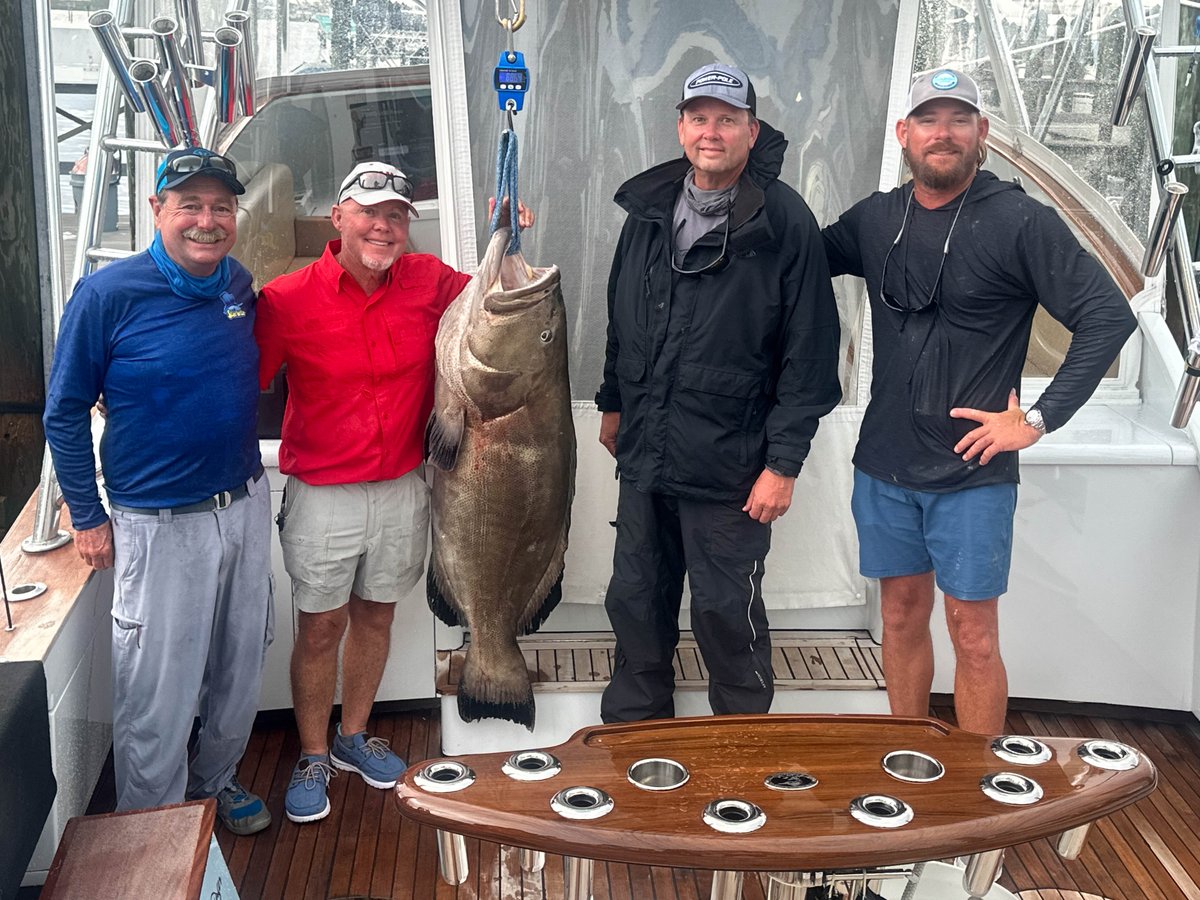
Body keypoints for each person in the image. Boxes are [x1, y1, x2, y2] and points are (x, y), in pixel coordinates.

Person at [822, 68, 1137, 733]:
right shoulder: (877, 219)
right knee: (900, 618)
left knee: (974, 637)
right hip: (883, 465)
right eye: (929, 121)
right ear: (903, 134)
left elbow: (1108, 317)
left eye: (959, 120)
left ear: (982, 134)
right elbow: (791, 259)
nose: (944, 134)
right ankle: (909, 756)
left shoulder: (1021, 221)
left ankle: (979, 791)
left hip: (973, 472)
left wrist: (1039, 419)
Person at [256, 162, 533, 823]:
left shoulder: (430, 281)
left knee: (376, 618)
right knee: (320, 628)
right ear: (339, 217)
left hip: (405, 485)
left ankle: (355, 734)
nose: (382, 226)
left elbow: (502, 304)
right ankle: (315, 752)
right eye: (369, 211)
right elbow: (238, 380)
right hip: (323, 493)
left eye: (396, 215)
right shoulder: (287, 298)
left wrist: (510, 236)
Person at [595, 63, 842, 722]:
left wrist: (783, 465)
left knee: (725, 615)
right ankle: (634, 744)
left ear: (751, 131)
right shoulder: (648, 214)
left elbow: (810, 359)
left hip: (732, 468)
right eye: (699, 117)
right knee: (636, 601)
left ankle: (739, 752)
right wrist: (612, 399)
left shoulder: (785, 221)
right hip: (646, 455)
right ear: (680, 128)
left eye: (727, 119)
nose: (712, 131)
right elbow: (622, 316)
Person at [43, 147, 273, 835]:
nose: (207, 220)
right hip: (158, 521)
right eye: (190, 206)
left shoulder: (236, 283)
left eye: (221, 207)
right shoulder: (107, 295)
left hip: (244, 505)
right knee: (158, 690)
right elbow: (64, 409)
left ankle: (216, 781)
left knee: (239, 668)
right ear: (157, 211)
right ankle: (153, 826)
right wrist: (87, 514)